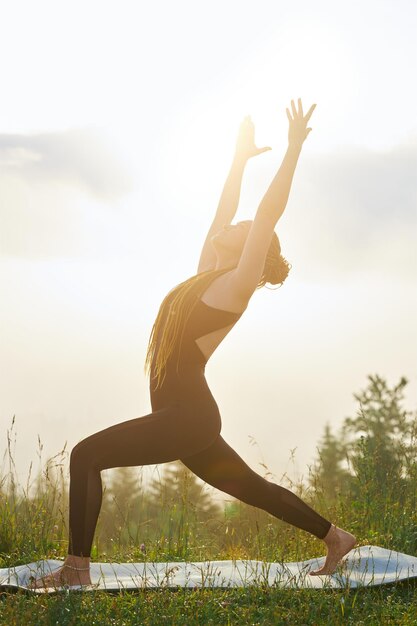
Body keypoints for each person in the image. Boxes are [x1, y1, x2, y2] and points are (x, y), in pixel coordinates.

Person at [32, 99, 355, 590]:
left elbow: (266, 214)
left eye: (245, 230)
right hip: (187, 418)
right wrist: (238, 160)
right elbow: (222, 214)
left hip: (188, 417)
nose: (236, 225)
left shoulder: (235, 285)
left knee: (85, 455)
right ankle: (335, 537)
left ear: (254, 250)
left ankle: (76, 570)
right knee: (253, 488)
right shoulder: (206, 275)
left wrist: (292, 150)